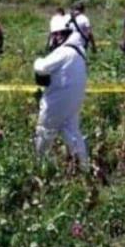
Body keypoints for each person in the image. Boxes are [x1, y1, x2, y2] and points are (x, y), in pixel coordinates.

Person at [33, 22, 89, 171]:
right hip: (73, 101)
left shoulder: (64, 52)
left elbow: (42, 67)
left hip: (56, 102)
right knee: (73, 134)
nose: (56, 38)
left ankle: (40, 168)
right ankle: (84, 168)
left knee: (45, 132)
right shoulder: (79, 51)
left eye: (58, 34)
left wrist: (37, 60)